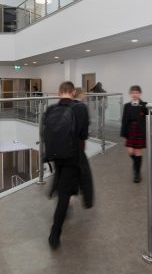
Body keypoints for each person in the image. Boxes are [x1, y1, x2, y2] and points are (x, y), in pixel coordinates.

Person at [44, 81, 94, 250]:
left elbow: (45, 134)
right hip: (73, 156)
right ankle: (55, 232)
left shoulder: (50, 110)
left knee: (62, 180)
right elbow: (83, 135)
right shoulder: (80, 109)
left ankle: (62, 199)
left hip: (56, 155)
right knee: (65, 193)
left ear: (59, 93)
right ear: (73, 92)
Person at [120, 85, 148, 183]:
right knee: (130, 152)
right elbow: (124, 120)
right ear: (130, 94)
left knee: (137, 152)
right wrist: (124, 133)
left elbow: (150, 116)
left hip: (140, 130)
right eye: (133, 92)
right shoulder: (127, 106)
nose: (135, 94)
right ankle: (136, 163)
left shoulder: (144, 105)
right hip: (130, 130)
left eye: (137, 92)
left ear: (140, 93)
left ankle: (137, 173)